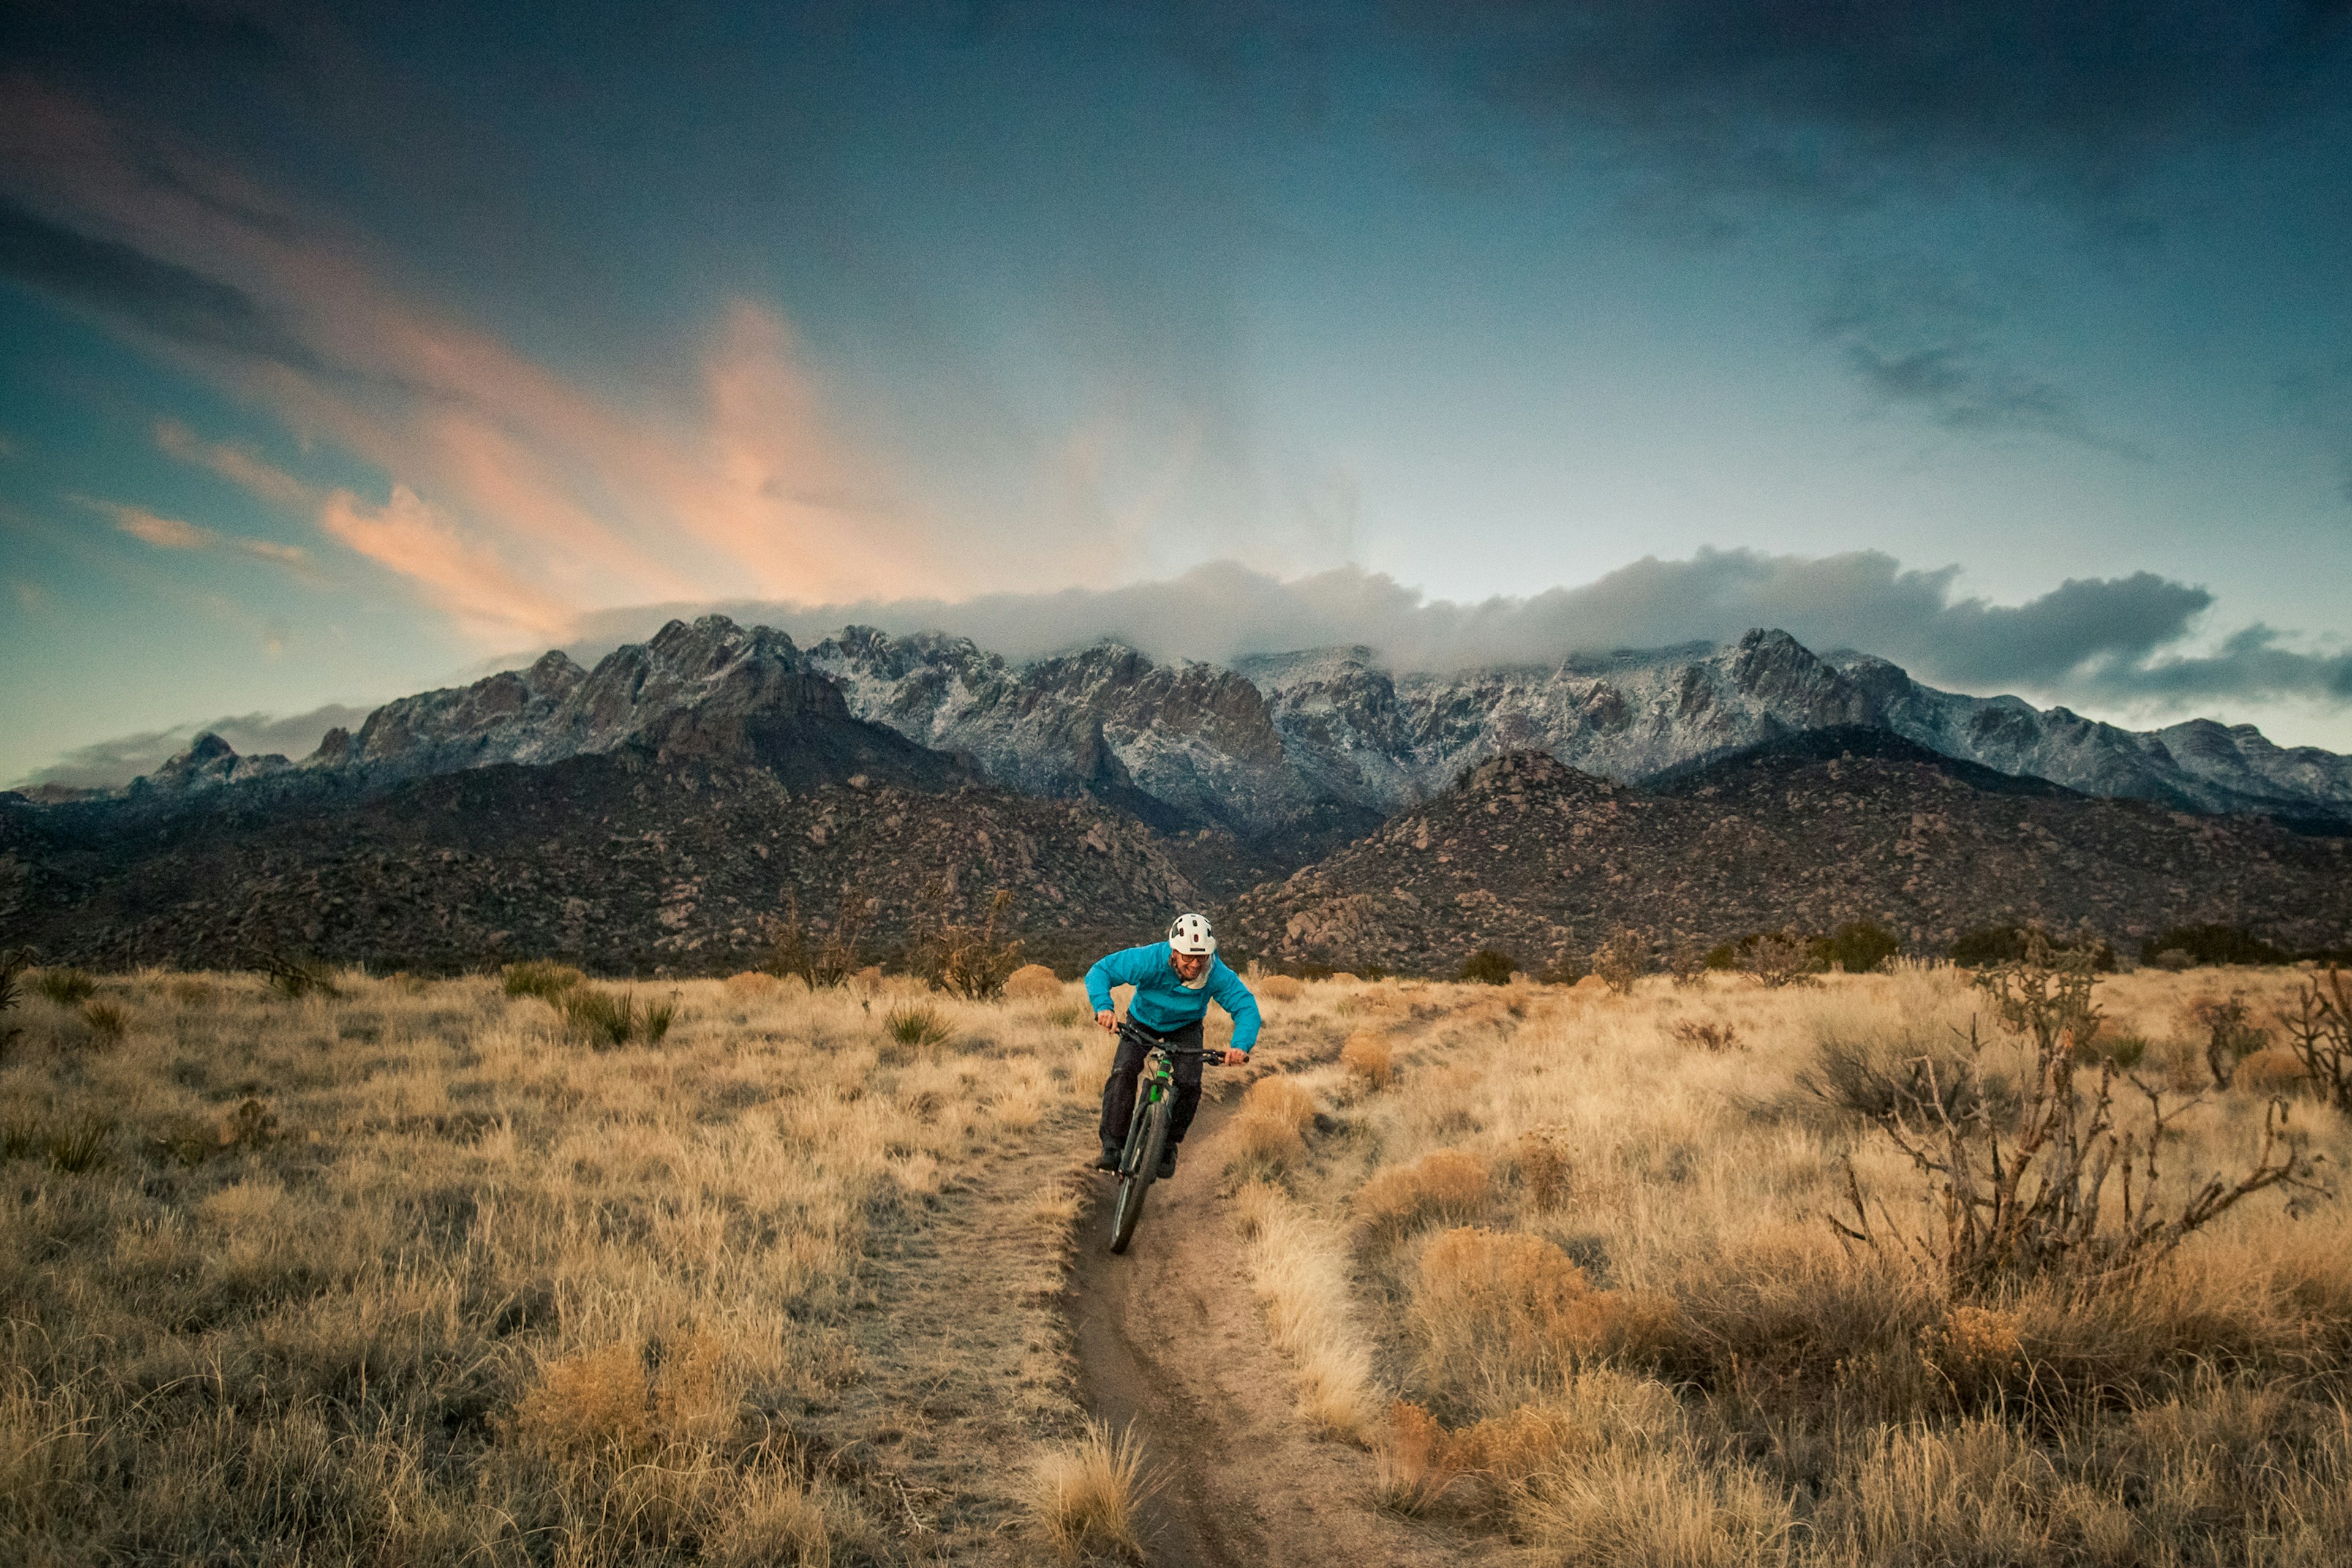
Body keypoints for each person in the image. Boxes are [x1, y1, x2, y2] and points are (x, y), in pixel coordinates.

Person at [1087, 913, 1259, 1178]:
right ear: (1174, 950)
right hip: (1143, 1020)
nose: (1195, 963)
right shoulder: (1150, 960)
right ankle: (1112, 1147)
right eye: (1188, 956)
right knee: (1124, 1073)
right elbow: (1102, 971)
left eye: (1201, 956)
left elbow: (1246, 1008)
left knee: (1190, 1084)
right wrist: (1104, 1008)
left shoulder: (1216, 973)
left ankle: (1167, 1146)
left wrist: (1240, 1046)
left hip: (1186, 1027)